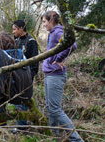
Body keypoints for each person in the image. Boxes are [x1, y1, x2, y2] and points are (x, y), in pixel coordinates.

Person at [41, 11, 83, 141]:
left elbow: (72, 44)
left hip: (55, 75)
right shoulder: (53, 33)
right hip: (50, 74)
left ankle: (77, 140)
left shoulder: (58, 31)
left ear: (51, 20)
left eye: (44, 22)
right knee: (51, 108)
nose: (43, 25)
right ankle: (56, 137)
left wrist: (59, 59)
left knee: (55, 109)